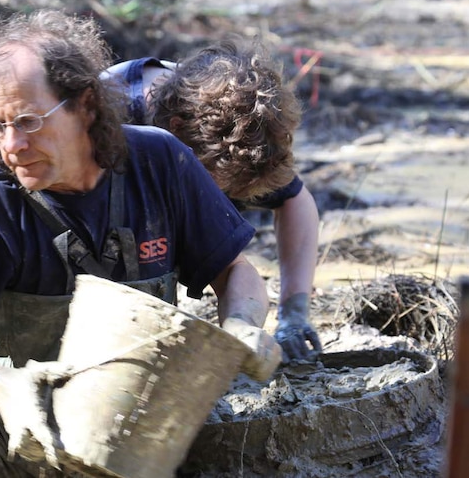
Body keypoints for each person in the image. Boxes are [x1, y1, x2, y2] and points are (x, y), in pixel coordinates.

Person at [0, 10, 281, 477]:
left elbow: (235, 272)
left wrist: (244, 324)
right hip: (12, 430)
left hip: (143, 424)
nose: (12, 144)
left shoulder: (159, 160)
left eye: (27, 120)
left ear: (85, 106)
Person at [104, 41, 323, 363]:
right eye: (218, 187)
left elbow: (295, 202)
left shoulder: (242, 126)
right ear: (177, 131)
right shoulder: (105, 116)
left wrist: (294, 313)